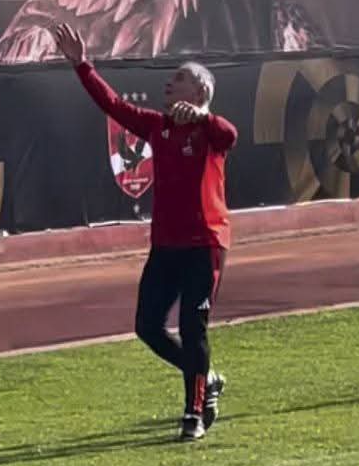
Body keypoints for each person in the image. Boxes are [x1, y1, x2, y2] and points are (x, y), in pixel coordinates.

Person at [53, 23, 237, 441]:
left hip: (204, 244)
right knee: (147, 326)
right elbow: (113, 105)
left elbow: (229, 135)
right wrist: (82, 65)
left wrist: (204, 116)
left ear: (200, 91)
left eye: (180, 78)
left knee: (193, 327)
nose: (169, 83)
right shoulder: (157, 126)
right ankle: (206, 378)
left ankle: (193, 413)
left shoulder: (210, 131)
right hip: (166, 245)